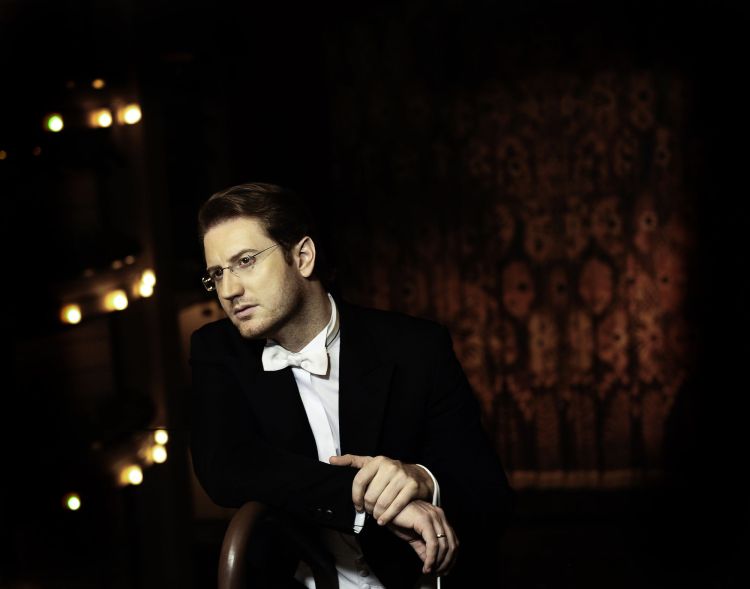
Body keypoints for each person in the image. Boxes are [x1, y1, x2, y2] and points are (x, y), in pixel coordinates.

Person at [189, 182, 512, 588]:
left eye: (246, 261)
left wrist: (420, 480)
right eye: (217, 274)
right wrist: (366, 500)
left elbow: (488, 490)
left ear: (302, 257)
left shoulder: (415, 347)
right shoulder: (216, 350)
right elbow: (226, 467)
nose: (229, 290)